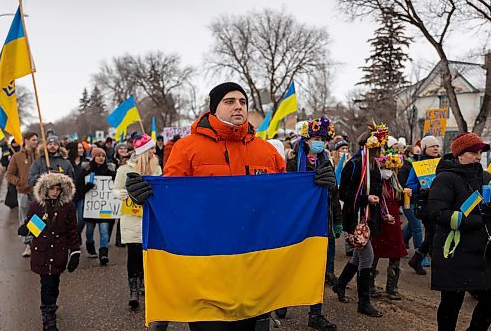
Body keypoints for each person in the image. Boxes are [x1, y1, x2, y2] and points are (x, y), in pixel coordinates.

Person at [126, 82, 335, 331]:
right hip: (207, 269)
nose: (238, 106)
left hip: (255, 269)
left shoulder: (267, 151)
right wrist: (146, 195)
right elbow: (172, 199)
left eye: (242, 101)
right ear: (214, 109)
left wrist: (317, 186)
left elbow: (283, 201)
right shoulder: (187, 148)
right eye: (229, 101)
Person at [427, 132, 491, 331]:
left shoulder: (480, 176)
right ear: (460, 154)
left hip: (478, 250)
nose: (478, 157)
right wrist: (478, 220)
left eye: (480, 152)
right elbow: (437, 213)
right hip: (453, 250)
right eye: (474, 152)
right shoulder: (445, 178)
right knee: (451, 304)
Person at [281, 116, 339, 331]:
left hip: (319, 221)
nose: (319, 142)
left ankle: (316, 314)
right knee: (290, 264)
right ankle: (282, 301)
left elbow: (334, 194)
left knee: (316, 267)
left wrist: (337, 221)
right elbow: (284, 191)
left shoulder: (327, 161)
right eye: (316, 137)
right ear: (306, 139)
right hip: (295, 221)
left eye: (323, 139)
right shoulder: (293, 161)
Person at [332, 122, 388, 318]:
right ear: (368, 146)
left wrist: (383, 211)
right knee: (367, 256)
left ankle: (340, 284)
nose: (379, 150)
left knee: (358, 256)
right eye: (376, 147)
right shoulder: (354, 165)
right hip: (356, 217)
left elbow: (378, 191)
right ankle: (364, 302)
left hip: (370, 218)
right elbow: (344, 193)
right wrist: (365, 199)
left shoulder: (376, 166)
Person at [17, 172, 80, 331]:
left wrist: (75, 252)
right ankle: (48, 319)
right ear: (44, 189)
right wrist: (27, 228)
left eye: (57, 189)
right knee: (46, 284)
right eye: (51, 188)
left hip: (59, 251)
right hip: (42, 251)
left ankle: (51, 306)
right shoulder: (35, 206)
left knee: (55, 283)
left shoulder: (68, 207)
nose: (54, 192)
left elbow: (72, 231)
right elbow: (31, 227)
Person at [113, 133, 162, 312]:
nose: (154, 152)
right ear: (143, 151)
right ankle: (133, 289)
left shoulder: (156, 168)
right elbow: (116, 190)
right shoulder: (124, 169)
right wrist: (128, 192)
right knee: (133, 253)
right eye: (151, 149)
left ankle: (144, 282)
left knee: (147, 253)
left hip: (150, 216)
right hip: (131, 217)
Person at [370, 150, 407, 300]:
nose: (388, 172)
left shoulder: (395, 183)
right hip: (379, 222)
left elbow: (399, 201)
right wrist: (383, 215)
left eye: (391, 169)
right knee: (374, 253)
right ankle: (369, 284)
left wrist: (407, 197)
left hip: (394, 222)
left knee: (395, 254)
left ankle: (392, 287)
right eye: (385, 168)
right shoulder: (376, 182)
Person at [406, 135, 441, 275]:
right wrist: (420, 189)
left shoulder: (443, 163)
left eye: (437, 146)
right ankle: (438, 271)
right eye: (432, 146)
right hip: (425, 205)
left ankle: (416, 259)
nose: (436, 148)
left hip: (441, 204)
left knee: (433, 235)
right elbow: (409, 185)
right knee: (433, 234)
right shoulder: (418, 165)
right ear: (425, 148)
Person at [77, 147, 116, 264]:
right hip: (91, 208)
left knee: (104, 230)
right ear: (93, 157)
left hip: (104, 208)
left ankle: (103, 253)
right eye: (98, 156)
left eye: (103, 156)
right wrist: (87, 187)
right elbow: (79, 190)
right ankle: (90, 246)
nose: (101, 158)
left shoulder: (110, 172)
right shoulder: (86, 171)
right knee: (89, 230)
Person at [6, 132, 39, 257]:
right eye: (33, 139)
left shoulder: (40, 155)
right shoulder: (17, 157)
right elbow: (9, 174)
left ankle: (36, 243)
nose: (36, 141)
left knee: (38, 218)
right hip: (23, 192)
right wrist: (19, 182)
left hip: (37, 192)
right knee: (25, 218)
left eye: (37, 139)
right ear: (26, 140)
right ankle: (28, 245)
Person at [67, 141, 87, 240]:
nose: (81, 150)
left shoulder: (86, 163)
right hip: (70, 195)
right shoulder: (67, 162)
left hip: (82, 194)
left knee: (82, 219)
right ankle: (73, 238)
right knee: (71, 219)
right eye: (79, 148)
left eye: (82, 148)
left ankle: (77, 234)